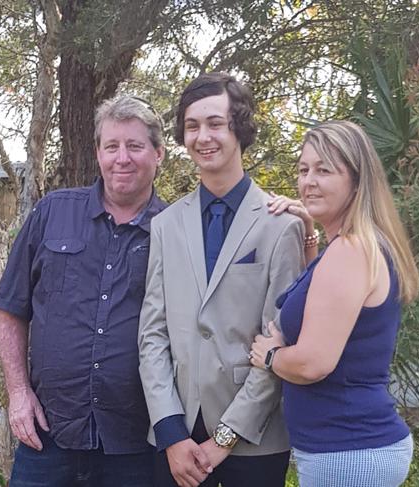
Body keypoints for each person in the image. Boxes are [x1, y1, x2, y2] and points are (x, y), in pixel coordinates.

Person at [138, 72, 307, 487]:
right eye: (192, 126)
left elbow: (280, 341)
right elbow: (152, 335)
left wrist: (225, 439)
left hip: (252, 442)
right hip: (175, 442)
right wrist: (171, 433)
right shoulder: (166, 224)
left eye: (215, 123)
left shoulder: (281, 226)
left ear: (239, 128)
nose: (203, 136)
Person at [0, 95, 167, 486]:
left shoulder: (174, 230)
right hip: (48, 434)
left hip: (134, 443)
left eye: (135, 146)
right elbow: (9, 307)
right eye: (112, 146)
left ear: (158, 153)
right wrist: (18, 393)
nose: (122, 158)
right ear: (98, 153)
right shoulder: (53, 212)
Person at [250, 120, 419, 487]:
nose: (308, 181)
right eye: (303, 169)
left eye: (324, 170)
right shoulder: (354, 246)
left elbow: (313, 363)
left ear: (357, 181)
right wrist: (309, 233)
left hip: (349, 454)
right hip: (352, 449)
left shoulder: (350, 250)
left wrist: (270, 356)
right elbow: (324, 305)